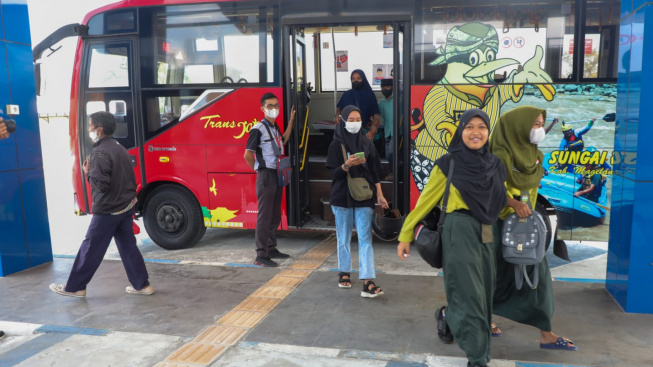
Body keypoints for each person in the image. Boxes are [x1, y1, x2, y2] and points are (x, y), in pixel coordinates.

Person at [397, 109, 508, 367]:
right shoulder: (448, 164)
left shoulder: (495, 164)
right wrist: (405, 234)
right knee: (469, 296)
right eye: (469, 127)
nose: (476, 132)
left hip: (488, 230)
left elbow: (501, 200)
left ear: (488, 132)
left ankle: (448, 315)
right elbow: (425, 202)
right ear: (460, 131)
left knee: (484, 293)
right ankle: (477, 358)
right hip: (458, 229)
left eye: (482, 127)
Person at [489, 106, 578, 351]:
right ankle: (476, 317)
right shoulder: (498, 155)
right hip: (498, 225)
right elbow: (491, 190)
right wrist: (512, 203)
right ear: (518, 126)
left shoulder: (533, 153)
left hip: (525, 227)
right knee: (491, 276)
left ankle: (546, 334)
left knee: (538, 276)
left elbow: (531, 189)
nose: (539, 130)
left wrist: (527, 210)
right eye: (535, 124)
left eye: (541, 124)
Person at [50, 111, 153, 298]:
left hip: (107, 209)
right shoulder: (119, 147)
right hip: (125, 207)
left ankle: (75, 287)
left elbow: (101, 185)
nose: (89, 129)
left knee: (90, 248)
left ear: (99, 129)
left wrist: (88, 172)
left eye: (90, 126)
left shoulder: (99, 152)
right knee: (128, 246)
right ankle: (142, 285)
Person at [326, 105, 389, 298]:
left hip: (364, 197)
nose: (355, 123)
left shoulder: (366, 143)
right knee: (343, 238)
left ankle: (368, 282)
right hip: (341, 197)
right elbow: (333, 173)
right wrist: (346, 165)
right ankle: (344, 271)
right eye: (351, 119)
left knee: (365, 240)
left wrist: (380, 194)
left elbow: (375, 172)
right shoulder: (336, 145)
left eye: (358, 119)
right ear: (343, 121)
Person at [244, 93, 296, 267]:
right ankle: (261, 255)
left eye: (276, 105)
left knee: (274, 214)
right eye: (270, 106)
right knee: (264, 216)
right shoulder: (257, 129)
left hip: (277, 175)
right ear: (262, 108)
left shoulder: (274, 128)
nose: (273, 109)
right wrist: (258, 170)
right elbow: (247, 155)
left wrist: (291, 121)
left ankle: (271, 248)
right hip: (266, 175)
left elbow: (283, 140)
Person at [335, 70, 382, 147]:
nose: (356, 80)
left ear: (363, 79)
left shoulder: (370, 95)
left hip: (365, 135)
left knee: (364, 157)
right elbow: (340, 110)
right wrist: (337, 116)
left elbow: (376, 115)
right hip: (347, 134)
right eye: (353, 79)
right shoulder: (346, 95)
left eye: (358, 78)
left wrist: (372, 132)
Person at [378, 79, 394, 180]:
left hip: (398, 132)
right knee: (388, 155)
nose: (385, 89)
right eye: (383, 88)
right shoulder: (381, 103)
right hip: (387, 132)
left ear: (392, 87)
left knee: (392, 152)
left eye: (387, 87)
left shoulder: (398, 99)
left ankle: (394, 173)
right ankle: (392, 172)